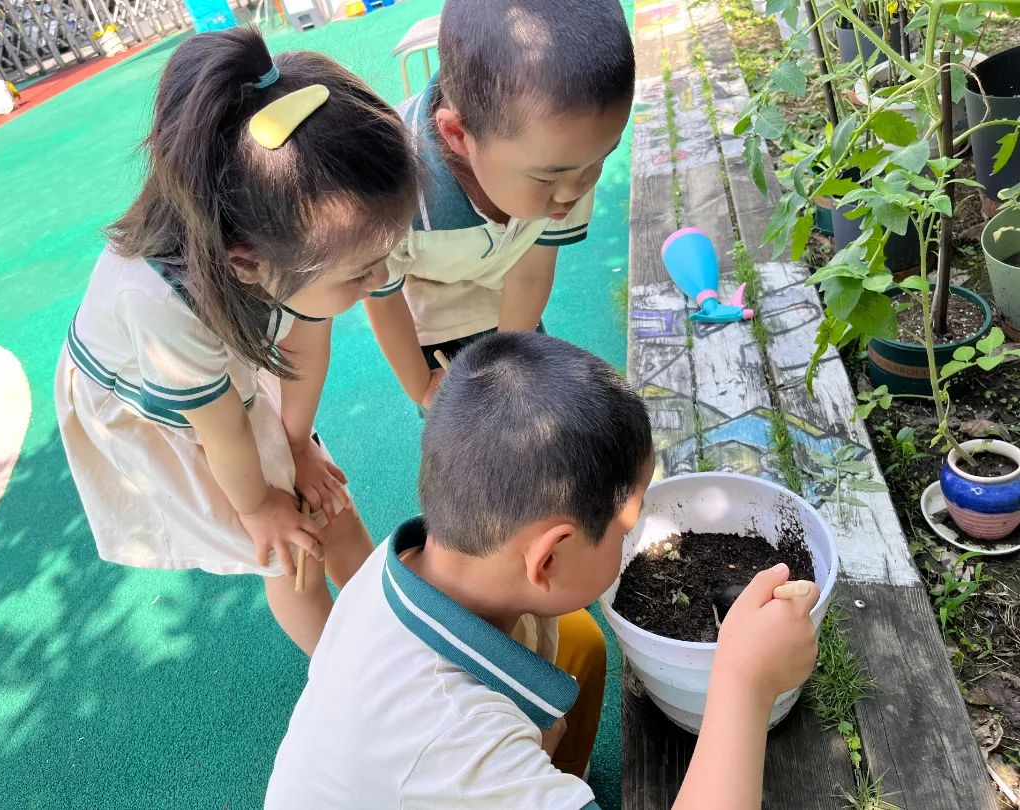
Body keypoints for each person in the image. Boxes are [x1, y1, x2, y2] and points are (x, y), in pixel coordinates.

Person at [266, 332, 820, 807]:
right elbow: (462, 750)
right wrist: (745, 681)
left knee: (579, 642)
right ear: (548, 558)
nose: (633, 537)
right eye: (625, 529)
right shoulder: (458, 741)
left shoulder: (408, 565)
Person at [54, 28, 417, 655]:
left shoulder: (288, 247)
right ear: (248, 262)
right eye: (360, 271)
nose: (380, 278)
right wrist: (258, 506)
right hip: (157, 397)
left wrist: (299, 445)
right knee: (291, 550)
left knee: (326, 502)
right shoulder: (160, 305)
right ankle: (348, 676)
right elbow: (222, 431)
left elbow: (305, 342)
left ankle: (393, 629)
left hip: (224, 355)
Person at [363, 0, 635, 409]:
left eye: (600, 159)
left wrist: (510, 365)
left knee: (526, 402)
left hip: (509, 293)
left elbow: (531, 273)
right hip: (435, 316)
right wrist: (421, 386)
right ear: (457, 134)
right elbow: (381, 297)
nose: (573, 192)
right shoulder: (388, 194)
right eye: (547, 178)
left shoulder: (569, 159)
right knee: (463, 428)